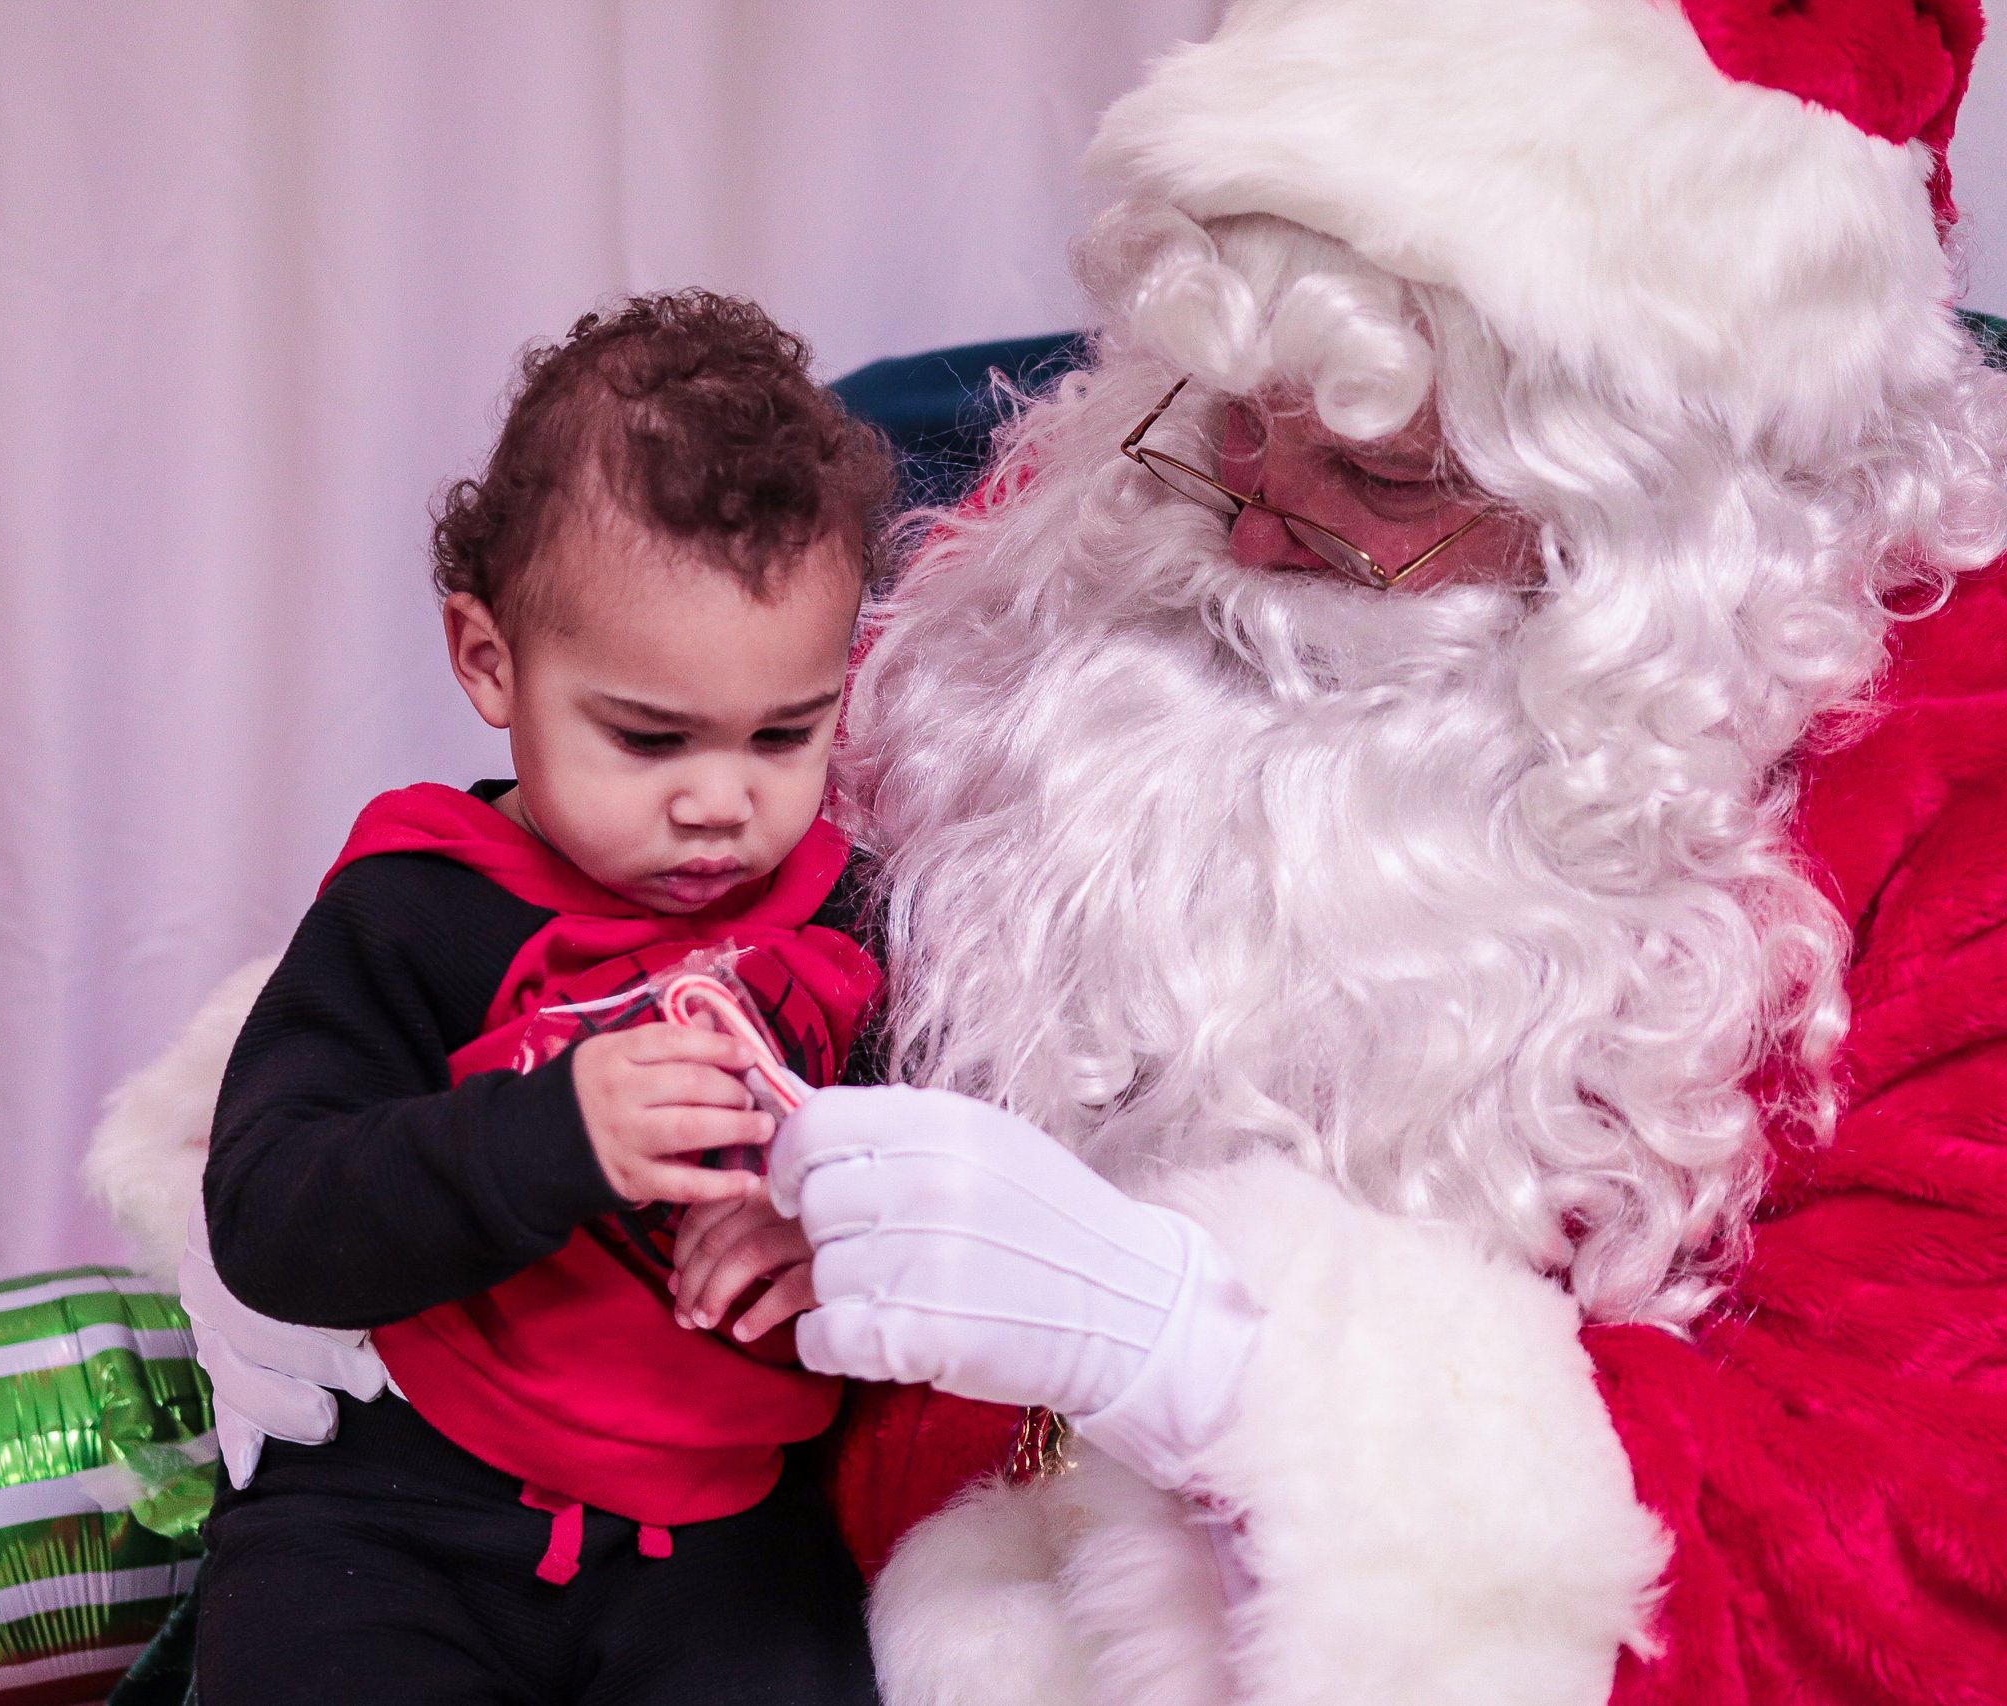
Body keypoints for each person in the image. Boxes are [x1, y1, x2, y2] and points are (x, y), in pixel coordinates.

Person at [746, 1, 2007, 1703]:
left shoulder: (1957, 763)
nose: (1251, 531)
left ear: (1679, 505)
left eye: (1378, 474)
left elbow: (1924, 1535)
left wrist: (1214, 1363)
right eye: (1224, 415)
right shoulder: (1102, 543)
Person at [189, 289, 892, 1706]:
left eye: (783, 733)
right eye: (649, 738)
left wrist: (840, 1229)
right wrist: (548, 1132)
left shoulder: (855, 918)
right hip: (403, 1504)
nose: (721, 801)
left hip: (729, 1540)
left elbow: (982, 1171)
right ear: (490, 662)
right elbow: (269, 1213)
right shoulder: (416, 905)